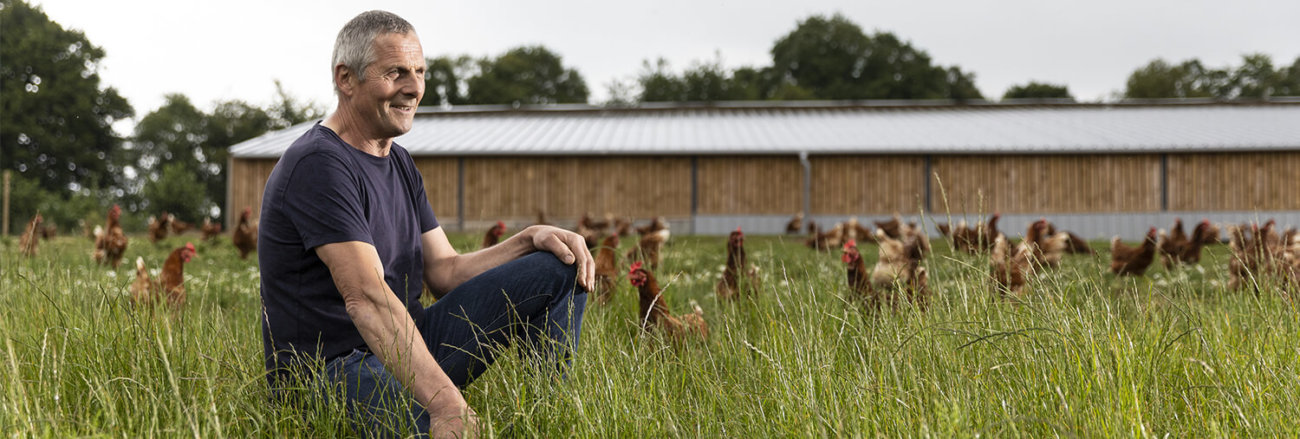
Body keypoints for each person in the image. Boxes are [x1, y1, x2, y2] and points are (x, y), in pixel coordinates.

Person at [257, 10, 593, 437]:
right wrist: (448, 405)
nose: (414, 88)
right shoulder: (319, 164)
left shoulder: (397, 160)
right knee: (430, 430)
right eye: (395, 72)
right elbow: (367, 298)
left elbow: (445, 272)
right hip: (330, 372)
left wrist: (528, 241)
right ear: (346, 78)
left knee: (561, 262)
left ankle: (550, 418)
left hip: (403, 344)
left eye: (419, 72)